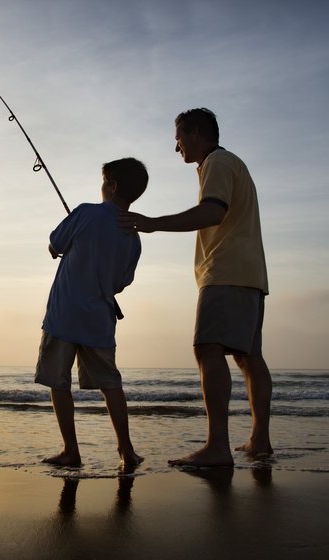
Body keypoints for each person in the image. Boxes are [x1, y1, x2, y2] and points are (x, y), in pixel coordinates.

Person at [119, 108, 272, 467]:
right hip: (250, 275)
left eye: (178, 139)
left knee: (207, 348)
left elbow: (212, 213)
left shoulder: (217, 162)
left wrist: (153, 223)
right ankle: (260, 441)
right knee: (249, 357)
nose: (177, 148)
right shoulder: (233, 163)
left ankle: (217, 446)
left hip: (225, 272)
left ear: (197, 133)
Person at [35, 157, 148, 469]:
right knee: (111, 384)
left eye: (103, 182)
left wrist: (57, 249)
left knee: (59, 382)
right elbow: (122, 282)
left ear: (110, 185)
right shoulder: (133, 237)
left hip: (64, 315)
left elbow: (55, 243)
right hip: (99, 319)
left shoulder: (85, 212)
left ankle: (71, 450)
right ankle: (126, 450)